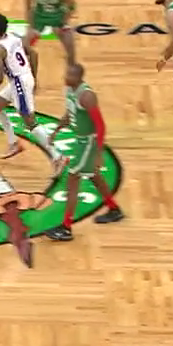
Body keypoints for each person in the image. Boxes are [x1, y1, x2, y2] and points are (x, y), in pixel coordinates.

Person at [45, 64, 124, 241]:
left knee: (73, 178)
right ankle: (114, 209)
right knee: (94, 176)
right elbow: (70, 113)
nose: (65, 77)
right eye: (66, 74)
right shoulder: (69, 91)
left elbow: (101, 126)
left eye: (70, 75)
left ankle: (66, 227)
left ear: (78, 78)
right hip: (80, 141)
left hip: (88, 142)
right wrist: (57, 129)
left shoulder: (87, 96)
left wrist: (98, 153)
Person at [0, 12, 63, 165]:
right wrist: (34, 78)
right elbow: (34, 54)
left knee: (30, 122)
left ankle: (57, 157)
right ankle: (14, 143)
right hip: (23, 78)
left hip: (19, 84)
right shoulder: (14, 37)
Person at [24, 0, 78, 65]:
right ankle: (21, 65)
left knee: (70, 46)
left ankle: (72, 66)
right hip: (40, 16)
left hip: (57, 16)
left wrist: (65, 21)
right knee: (24, 45)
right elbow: (28, 7)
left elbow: (72, 6)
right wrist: (30, 24)